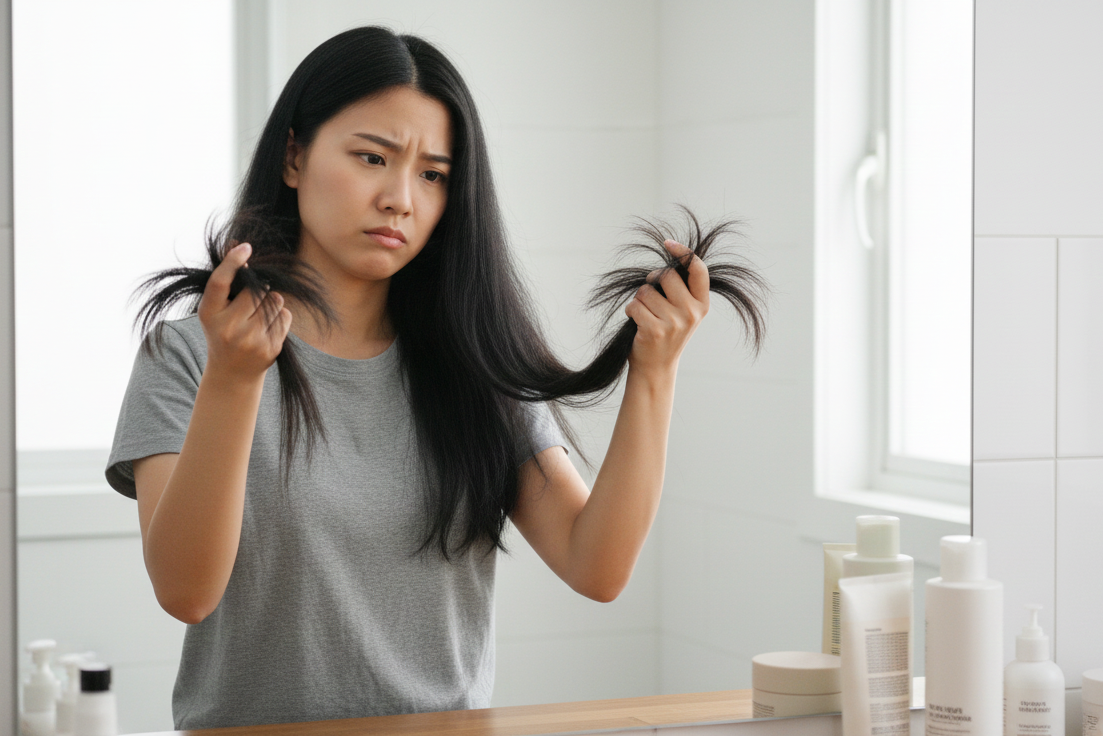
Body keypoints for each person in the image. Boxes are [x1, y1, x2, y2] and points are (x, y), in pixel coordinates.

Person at [105, 26, 762, 730]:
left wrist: (653, 371)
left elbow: (595, 564)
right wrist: (236, 381)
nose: (399, 198)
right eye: (370, 157)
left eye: (433, 175)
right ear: (294, 155)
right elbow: (185, 591)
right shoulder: (190, 355)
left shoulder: (470, 363)